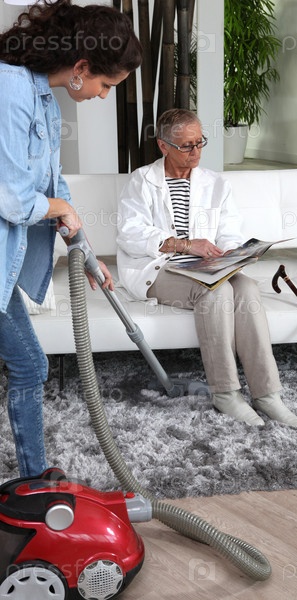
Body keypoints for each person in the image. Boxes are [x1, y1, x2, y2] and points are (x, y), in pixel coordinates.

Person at [0, 0, 142, 477]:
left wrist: (87, 255)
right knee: (31, 365)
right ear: (81, 68)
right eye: (107, 85)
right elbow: (12, 198)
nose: (104, 96)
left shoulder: (42, 96)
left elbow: (53, 186)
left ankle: (34, 480)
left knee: (29, 364)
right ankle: (34, 482)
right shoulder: (9, 88)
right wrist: (61, 209)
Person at [117, 108, 297, 429]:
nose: (196, 152)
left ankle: (266, 393)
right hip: (159, 268)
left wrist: (233, 252)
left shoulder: (215, 183)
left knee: (246, 287)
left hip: (205, 266)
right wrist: (185, 245)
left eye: (200, 142)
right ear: (163, 146)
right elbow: (130, 234)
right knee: (214, 292)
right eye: (186, 146)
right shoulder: (141, 181)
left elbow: (229, 230)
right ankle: (226, 392)